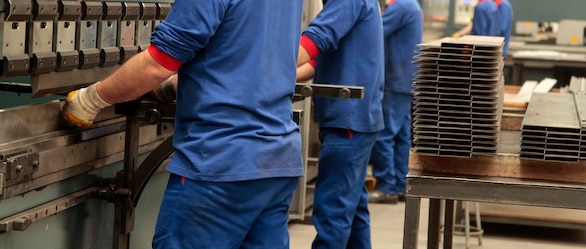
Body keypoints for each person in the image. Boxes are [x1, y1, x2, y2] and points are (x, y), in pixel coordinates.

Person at [61, 0, 305, 247]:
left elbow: (158, 63)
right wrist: (177, 84)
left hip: (219, 165)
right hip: (277, 159)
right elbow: (247, 54)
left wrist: (92, 99)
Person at [296, 0, 385, 246]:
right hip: (354, 121)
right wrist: (280, 76)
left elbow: (314, 41)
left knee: (332, 213)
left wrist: (263, 68)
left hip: (349, 122)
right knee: (353, 210)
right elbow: (316, 61)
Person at [368, 0, 423, 204]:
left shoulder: (401, 7)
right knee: (401, 136)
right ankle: (400, 184)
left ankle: (387, 187)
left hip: (395, 81)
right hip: (405, 81)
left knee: (384, 134)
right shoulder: (411, 5)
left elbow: (372, 31)